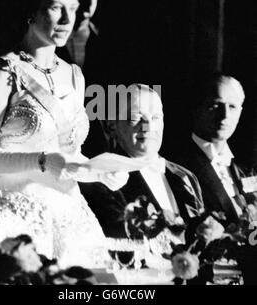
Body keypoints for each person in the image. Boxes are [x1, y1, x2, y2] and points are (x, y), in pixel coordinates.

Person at [0, 0, 128, 268]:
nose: (68, 19)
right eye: (56, 8)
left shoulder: (75, 76)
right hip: (12, 217)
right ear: (30, 10)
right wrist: (40, 161)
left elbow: (69, 155)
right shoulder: (4, 72)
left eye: (74, 7)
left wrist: (100, 172)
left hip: (69, 215)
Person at [79, 84, 204, 238]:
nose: (148, 126)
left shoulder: (186, 177)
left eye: (156, 118)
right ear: (112, 126)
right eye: (135, 117)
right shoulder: (100, 177)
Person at [178, 73, 257, 223]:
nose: (225, 115)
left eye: (232, 107)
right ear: (197, 108)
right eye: (215, 105)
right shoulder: (176, 166)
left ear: (240, 113)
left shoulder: (246, 167)